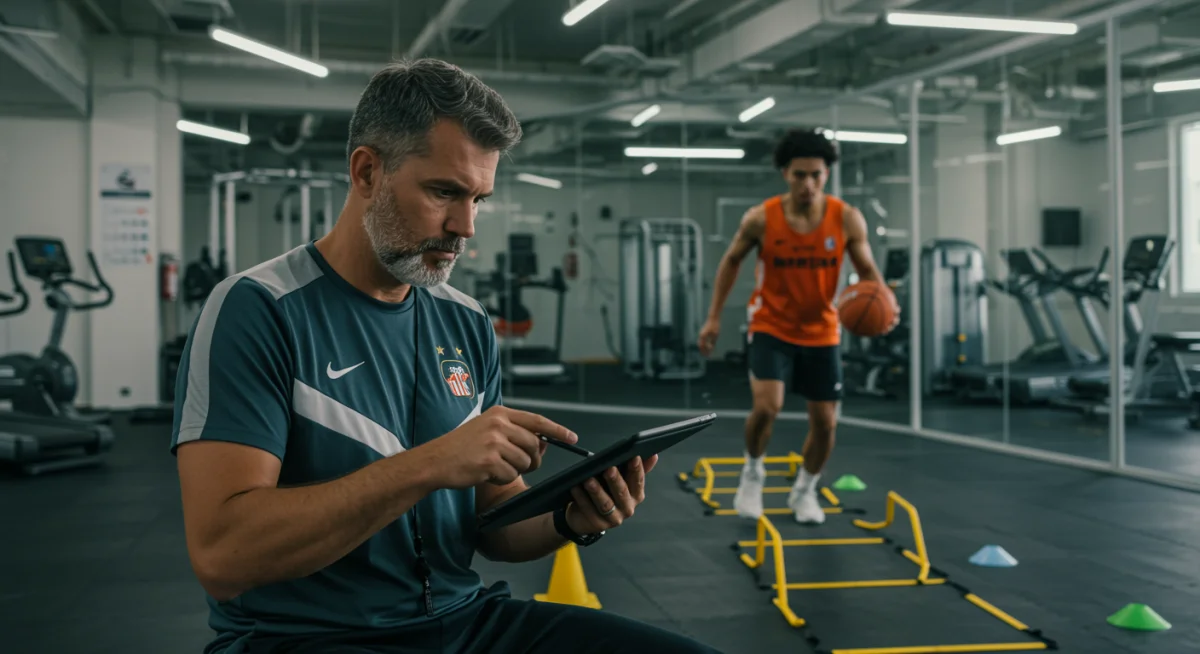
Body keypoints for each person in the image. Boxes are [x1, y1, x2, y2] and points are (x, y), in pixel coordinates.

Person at [171, 58, 720, 654]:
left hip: (465, 623)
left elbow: (491, 522)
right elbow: (224, 554)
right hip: (306, 637)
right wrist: (429, 464)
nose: (465, 226)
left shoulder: (465, 320)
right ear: (366, 173)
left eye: (479, 199)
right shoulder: (258, 310)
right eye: (443, 192)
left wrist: (568, 518)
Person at [697, 128, 896, 525]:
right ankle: (753, 473)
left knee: (825, 424)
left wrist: (886, 305)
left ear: (826, 175)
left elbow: (869, 273)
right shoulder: (761, 218)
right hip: (771, 325)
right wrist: (714, 317)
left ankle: (805, 490)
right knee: (767, 407)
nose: (808, 183)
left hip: (822, 330)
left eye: (816, 175)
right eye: (800, 174)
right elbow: (731, 262)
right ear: (785, 173)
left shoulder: (845, 219)